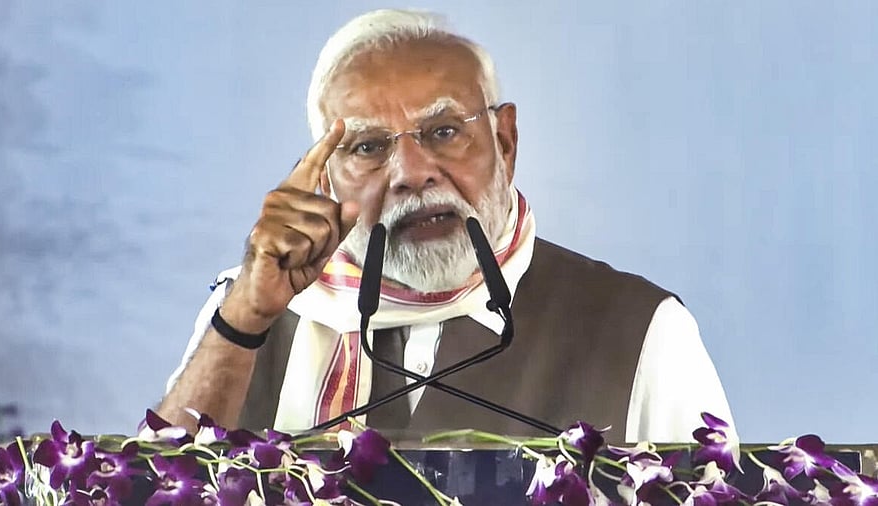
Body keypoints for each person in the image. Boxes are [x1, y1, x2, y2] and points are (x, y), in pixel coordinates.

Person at [160, 9, 733, 443]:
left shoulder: (641, 329)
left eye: (443, 132)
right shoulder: (249, 309)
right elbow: (147, 491)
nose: (410, 174)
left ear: (505, 142)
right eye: (367, 146)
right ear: (326, 177)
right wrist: (244, 318)